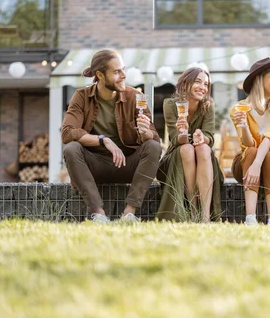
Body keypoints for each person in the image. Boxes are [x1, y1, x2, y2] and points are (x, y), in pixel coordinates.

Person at [62, 49, 162, 223]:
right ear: (100, 75)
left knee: (153, 146)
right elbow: (67, 132)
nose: (123, 75)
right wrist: (103, 140)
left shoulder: (136, 97)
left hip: (128, 165)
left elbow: (154, 139)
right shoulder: (82, 97)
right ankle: (99, 214)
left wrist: (146, 134)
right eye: (116, 72)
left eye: (123, 69)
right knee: (71, 148)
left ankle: (129, 214)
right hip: (95, 167)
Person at [230, 57, 270, 226]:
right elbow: (248, 145)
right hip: (246, 164)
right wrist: (242, 125)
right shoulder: (239, 108)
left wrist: (258, 164)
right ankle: (250, 218)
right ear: (260, 78)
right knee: (251, 151)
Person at [157, 68, 223, 222]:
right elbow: (174, 140)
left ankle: (205, 216)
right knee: (186, 148)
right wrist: (183, 133)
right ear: (185, 84)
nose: (203, 87)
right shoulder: (170, 104)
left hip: (202, 157)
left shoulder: (208, 105)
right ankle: (194, 212)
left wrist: (202, 138)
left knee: (203, 148)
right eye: (198, 82)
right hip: (176, 157)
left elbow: (209, 137)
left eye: (206, 84)